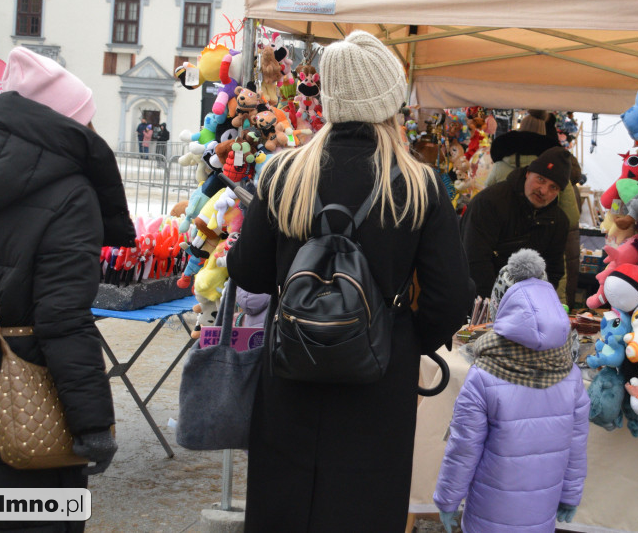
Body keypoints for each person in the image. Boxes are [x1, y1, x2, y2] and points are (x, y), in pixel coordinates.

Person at [226, 30, 474, 532]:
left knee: (284, 503)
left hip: (291, 368)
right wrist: (404, 338)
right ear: (389, 101)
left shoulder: (282, 173)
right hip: (377, 380)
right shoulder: (418, 184)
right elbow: (452, 298)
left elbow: (248, 273)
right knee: (362, 506)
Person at [0, 46, 135, 531]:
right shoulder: (71, 194)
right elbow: (63, 320)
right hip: (21, 397)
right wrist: (94, 423)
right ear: (63, 124)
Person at [433, 251, 589, 533]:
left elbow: (464, 447)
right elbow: (577, 445)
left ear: (500, 308)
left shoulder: (484, 374)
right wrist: (570, 495)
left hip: (487, 511)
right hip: (542, 510)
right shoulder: (571, 374)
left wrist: (448, 499)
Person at [485, 112, 583, 306]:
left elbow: (484, 203)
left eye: (551, 187)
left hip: (500, 255)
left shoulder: (500, 165)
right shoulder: (557, 168)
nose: (544, 189)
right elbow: (571, 218)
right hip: (545, 252)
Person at [461, 146, 571, 298]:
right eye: (540, 179)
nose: (543, 191)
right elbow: (474, 260)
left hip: (526, 308)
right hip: (477, 301)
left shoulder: (558, 222)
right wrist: (496, 304)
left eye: (553, 187)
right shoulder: (489, 203)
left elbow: (553, 271)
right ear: (528, 173)